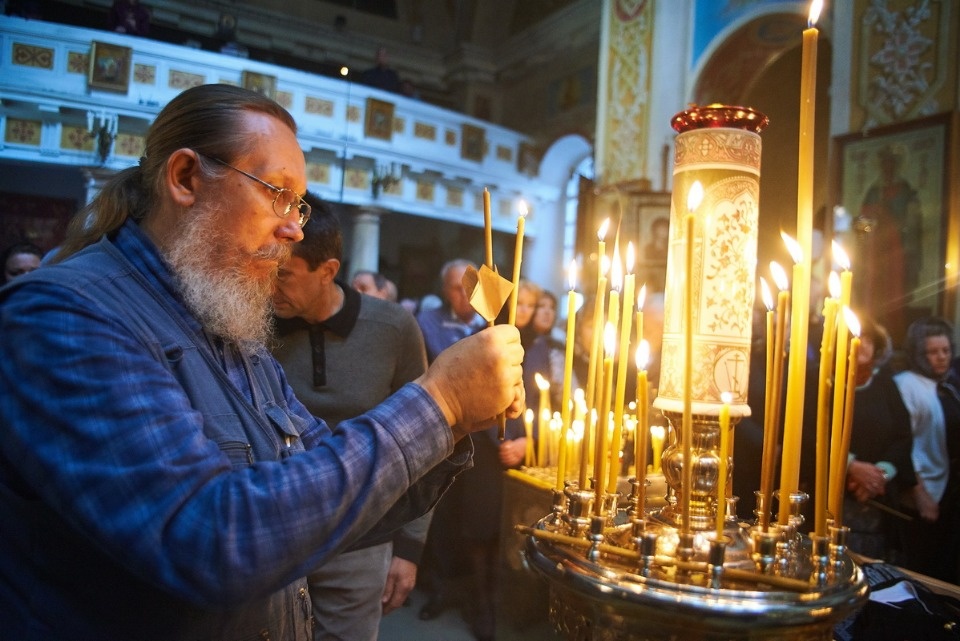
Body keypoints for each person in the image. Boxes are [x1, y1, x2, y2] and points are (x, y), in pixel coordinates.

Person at [0, 84, 524, 640]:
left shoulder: (227, 330)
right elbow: (207, 539)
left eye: (297, 203)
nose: (295, 227)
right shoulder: (64, 316)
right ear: (185, 178)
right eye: (277, 192)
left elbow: (318, 487)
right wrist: (439, 401)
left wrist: (457, 422)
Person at [271, 199, 432, 640]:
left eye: (283, 275)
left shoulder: (392, 328)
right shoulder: (253, 322)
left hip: (363, 535)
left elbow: (424, 440)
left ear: (327, 271)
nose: (269, 286)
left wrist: (410, 547)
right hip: (276, 531)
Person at [893, 317, 960, 584]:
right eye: (933, 352)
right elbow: (902, 442)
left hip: (950, 490)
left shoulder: (948, 385)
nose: (941, 358)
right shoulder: (906, 384)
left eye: (945, 351)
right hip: (923, 493)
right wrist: (918, 492)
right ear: (919, 354)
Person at [416, 258, 485, 363]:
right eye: (457, 288)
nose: (464, 294)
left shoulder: (494, 322)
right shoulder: (427, 324)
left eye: (469, 286)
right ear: (445, 292)